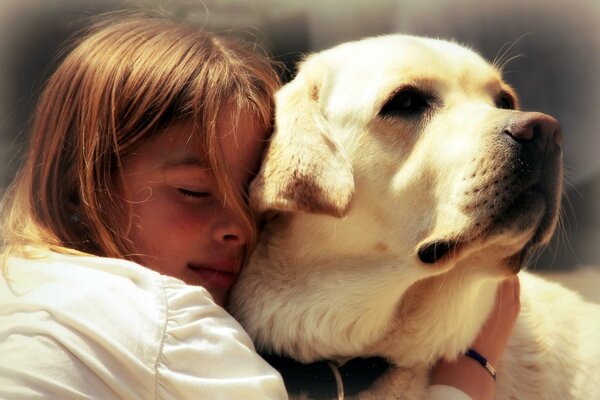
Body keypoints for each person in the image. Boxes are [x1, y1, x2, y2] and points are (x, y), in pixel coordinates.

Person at [0, 13, 520, 400]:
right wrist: (471, 371)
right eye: (195, 193)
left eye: (255, 196)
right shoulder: (167, 322)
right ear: (80, 191)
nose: (241, 229)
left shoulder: (22, 286)